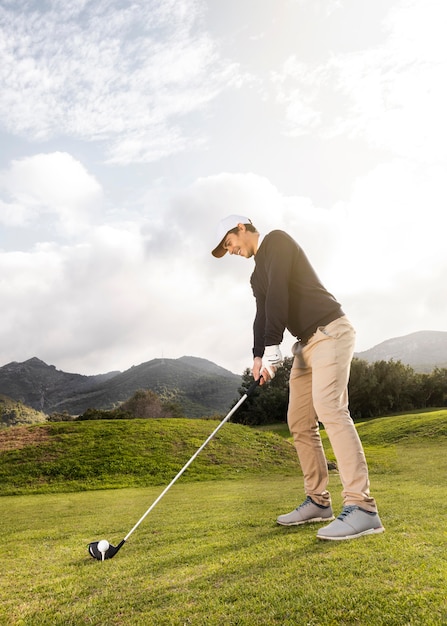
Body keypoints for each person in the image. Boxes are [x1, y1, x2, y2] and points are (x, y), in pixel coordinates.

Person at [211, 214, 384, 541]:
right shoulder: (255, 277)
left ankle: (362, 507)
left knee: (330, 409)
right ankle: (319, 501)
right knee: (299, 421)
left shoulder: (277, 241)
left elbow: (279, 293)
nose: (229, 250)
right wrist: (259, 355)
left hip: (330, 331)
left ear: (242, 228)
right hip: (305, 345)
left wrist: (274, 344)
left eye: (227, 242)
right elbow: (262, 313)